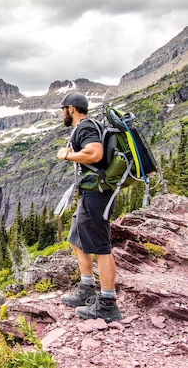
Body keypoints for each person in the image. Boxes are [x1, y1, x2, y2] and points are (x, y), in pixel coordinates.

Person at [56, 91, 122, 322]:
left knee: (101, 247)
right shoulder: (87, 126)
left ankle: (107, 304)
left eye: (63, 110)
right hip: (91, 192)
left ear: (71, 109)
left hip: (98, 194)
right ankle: (86, 289)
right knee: (77, 237)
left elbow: (95, 154)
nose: (62, 114)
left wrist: (67, 155)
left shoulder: (85, 127)